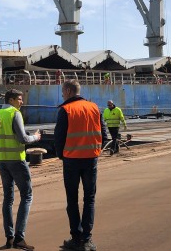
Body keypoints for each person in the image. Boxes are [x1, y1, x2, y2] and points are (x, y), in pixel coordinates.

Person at [54, 80, 109, 251]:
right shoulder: (95, 108)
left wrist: (62, 156)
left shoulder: (65, 110)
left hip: (71, 160)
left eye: (63, 91)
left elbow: (58, 138)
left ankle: (75, 238)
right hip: (91, 160)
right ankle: (87, 239)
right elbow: (105, 135)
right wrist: (95, 151)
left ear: (69, 91)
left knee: (72, 199)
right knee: (89, 199)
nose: (62, 95)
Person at [0, 89, 41, 250]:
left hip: (2, 161)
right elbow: (23, 138)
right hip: (17, 161)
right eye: (19, 99)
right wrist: (36, 137)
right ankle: (19, 238)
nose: (21, 102)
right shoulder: (14, 113)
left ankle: (9, 238)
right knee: (27, 196)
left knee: (8, 198)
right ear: (11, 100)